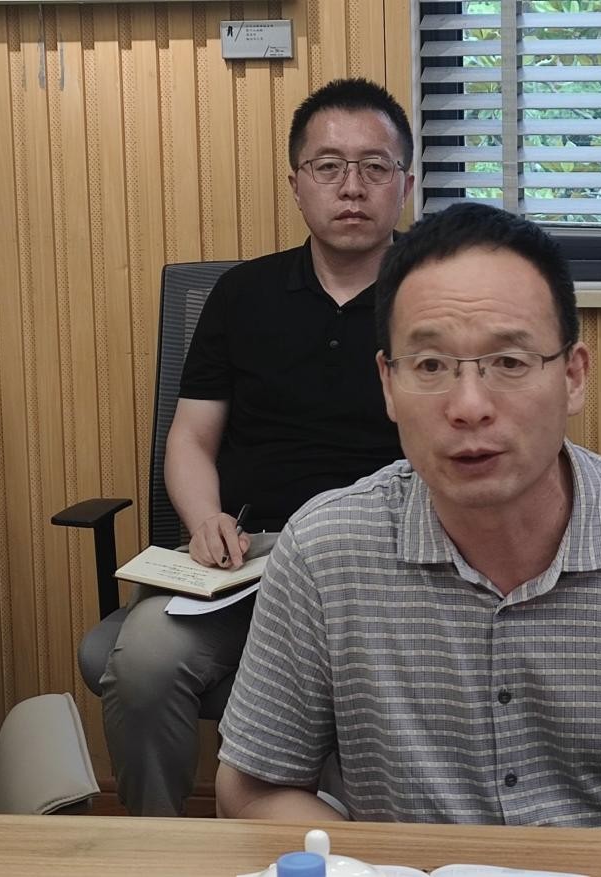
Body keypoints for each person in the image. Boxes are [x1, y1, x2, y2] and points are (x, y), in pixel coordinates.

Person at [215, 203, 601, 833]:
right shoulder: (324, 551)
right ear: (388, 384)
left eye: (509, 362)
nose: (469, 406)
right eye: (430, 366)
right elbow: (256, 788)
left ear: (573, 376)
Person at [99, 77, 413, 817]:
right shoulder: (242, 294)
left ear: (405, 183)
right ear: (295, 183)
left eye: (375, 167)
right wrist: (204, 518)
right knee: (143, 662)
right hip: (250, 559)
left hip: (388, 563)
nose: (352, 187)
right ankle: (161, 853)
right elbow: (191, 436)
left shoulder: (435, 294)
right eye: (328, 166)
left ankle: (358, 854)